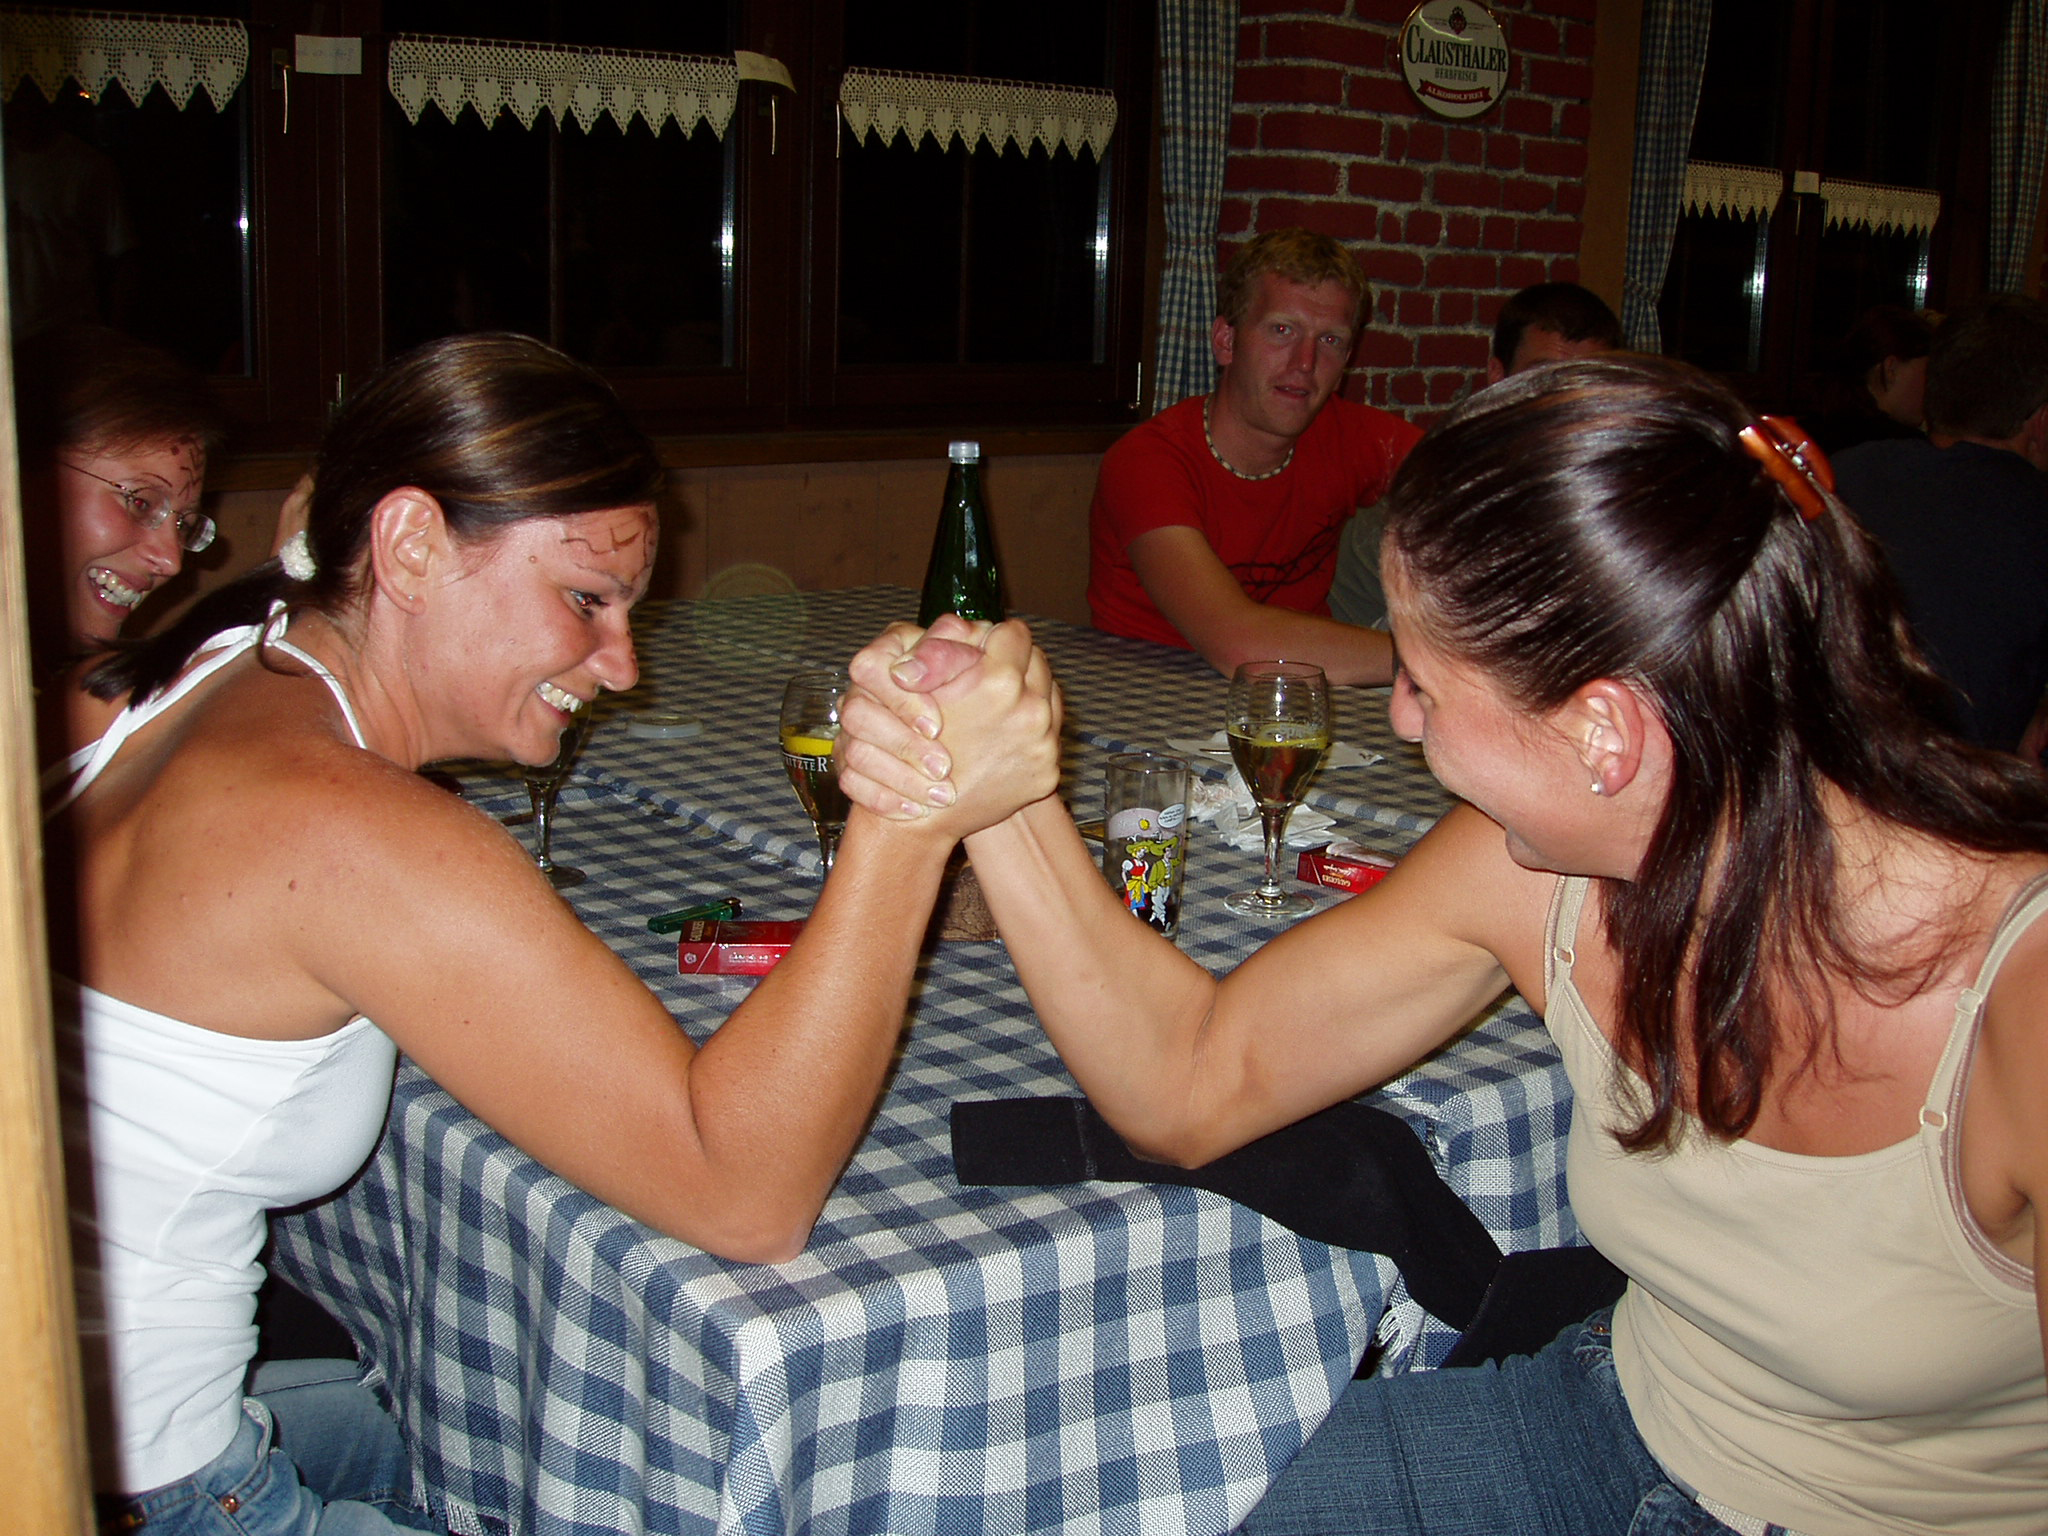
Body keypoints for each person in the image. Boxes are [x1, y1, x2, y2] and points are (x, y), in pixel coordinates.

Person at [841, 355, 2048, 1534]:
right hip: (1602, 1428)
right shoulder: (1537, 871)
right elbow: (1189, 1080)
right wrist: (996, 789)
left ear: (1603, 734)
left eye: (1421, 681)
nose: (1400, 718)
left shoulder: (2020, 993)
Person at [44, 333, 1056, 1535]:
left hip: (74, 1407)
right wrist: (905, 813)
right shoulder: (354, 833)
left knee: (476, 1431)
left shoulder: (197, 666)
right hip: (149, 1489)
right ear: (408, 547)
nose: (619, 668)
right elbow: (742, 1195)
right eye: (585, 599)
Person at [1085, 228, 1422, 685]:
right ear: (1226, 341)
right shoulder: (1147, 461)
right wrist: (1435, 661)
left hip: (1295, 702)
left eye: (1330, 341)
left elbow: (1481, 480)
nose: (1305, 362)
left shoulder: (1347, 434)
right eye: (1282, 331)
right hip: (1147, 703)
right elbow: (1238, 644)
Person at [1330, 280, 1620, 628]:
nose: (1564, 403)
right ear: (1498, 378)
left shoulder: (1612, 498)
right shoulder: (1436, 512)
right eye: (1541, 379)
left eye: (1586, 383)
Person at [1833, 295, 2048, 754]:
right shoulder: (2032, 511)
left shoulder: (1842, 475)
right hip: (1955, 783)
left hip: (1809, 766)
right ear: (2041, 421)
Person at [1800, 304, 1933, 456]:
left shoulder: (1807, 432)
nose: (1932, 385)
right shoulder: (1906, 451)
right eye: (1928, 373)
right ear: (1891, 369)